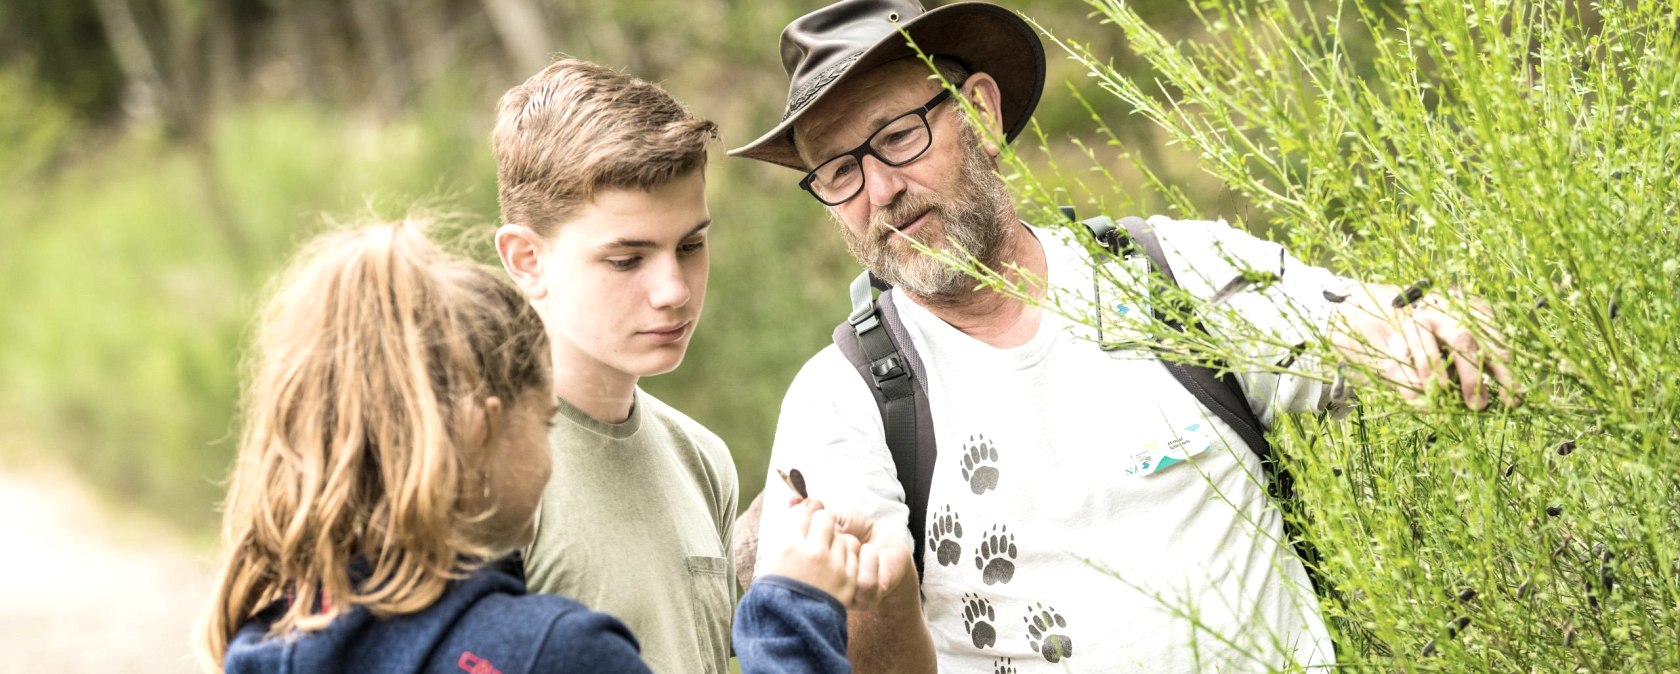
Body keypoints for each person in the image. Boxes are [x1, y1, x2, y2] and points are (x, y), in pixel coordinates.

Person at [729, 1, 1519, 672]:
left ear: (981, 112)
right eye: (837, 171)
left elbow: (1362, 329)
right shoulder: (844, 402)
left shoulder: (1176, 277)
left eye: (898, 136)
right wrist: (880, 595)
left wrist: (1431, 329)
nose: (880, 191)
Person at [198, 221, 867, 674]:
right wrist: (793, 609)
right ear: (483, 428)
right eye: (546, 422)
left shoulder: (270, 636)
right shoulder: (554, 651)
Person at [488, 59, 738, 673]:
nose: (674, 291)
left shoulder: (704, 459)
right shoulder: (476, 469)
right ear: (526, 260)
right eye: (627, 260)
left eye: (690, 246)